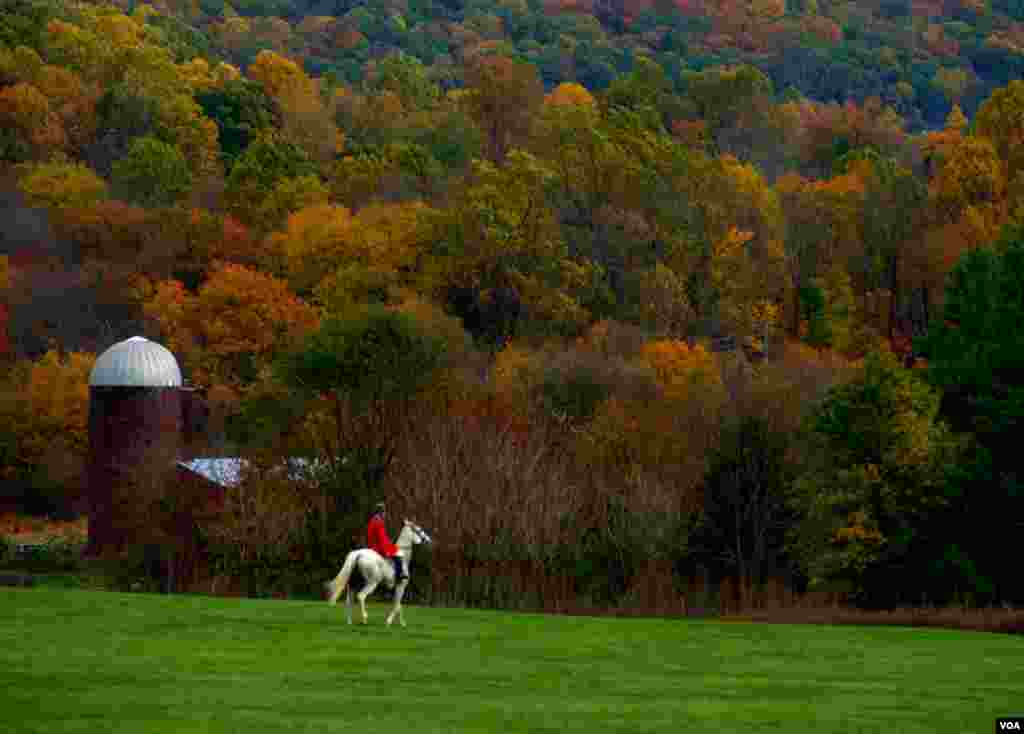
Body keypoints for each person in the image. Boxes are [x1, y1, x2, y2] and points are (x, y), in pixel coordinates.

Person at [367, 502, 408, 582]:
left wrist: (388, 541)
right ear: (380, 512)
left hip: (373, 545)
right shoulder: (378, 522)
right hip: (379, 547)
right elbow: (381, 538)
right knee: (399, 553)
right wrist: (388, 546)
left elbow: (374, 536)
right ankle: (399, 575)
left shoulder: (373, 520)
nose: (385, 514)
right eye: (384, 512)